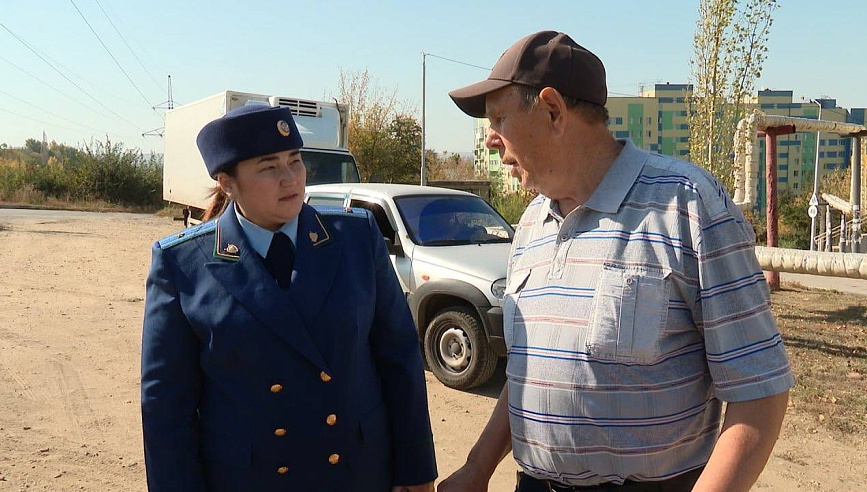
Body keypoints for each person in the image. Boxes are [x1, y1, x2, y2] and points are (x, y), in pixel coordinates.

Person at [439, 31, 794, 492]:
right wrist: (478, 466)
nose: (491, 140)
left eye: (499, 119)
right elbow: (532, 371)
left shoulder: (687, 206)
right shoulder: (531, 223)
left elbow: (760, 391)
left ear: (552, 110)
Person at [141, 104, 438, 492]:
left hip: (356, 472)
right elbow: (166, 405)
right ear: (228, 183)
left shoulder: (355, 239)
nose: (290, 178)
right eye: (269, 167)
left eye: (295, 161)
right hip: (250, 479)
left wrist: (416, 469)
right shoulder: (183, 263)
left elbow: (399, 357)